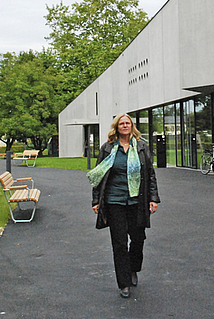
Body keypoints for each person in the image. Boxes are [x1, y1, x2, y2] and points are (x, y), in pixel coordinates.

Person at [88, 114, 160, 299]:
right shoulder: (108, 148)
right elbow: (98, 176)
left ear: (132, 126)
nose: (125, 126)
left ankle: (133, 268)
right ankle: (124, 282)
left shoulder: (141, 147)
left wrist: (153, 198)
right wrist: (96, 201)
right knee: (119, 243)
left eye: (127, 123)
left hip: (137, 201)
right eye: (122, 123)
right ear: (117, 127)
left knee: (138, 239)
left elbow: (150, 174)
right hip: (115, 201)